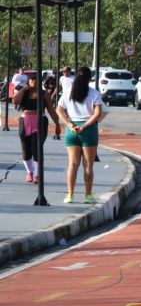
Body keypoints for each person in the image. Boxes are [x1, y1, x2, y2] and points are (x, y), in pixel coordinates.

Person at [54, 66, 104, 204]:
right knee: (88, 166)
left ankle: (70, 195)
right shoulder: (94, 93)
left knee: (72, 164)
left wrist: (69, 125)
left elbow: (59, 109)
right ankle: (88, 195)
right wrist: (85, 126)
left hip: (71, 130)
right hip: (88, 130)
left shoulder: (69, 92)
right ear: (90, 79)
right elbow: (98, 113)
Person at [12, 75, 58, 183]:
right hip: (25, 121)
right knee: (26, 151)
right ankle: (30, 172)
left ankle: (37, 175)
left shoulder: (44, 94)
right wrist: (24, 89)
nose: (34, 82)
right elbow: (15, 101)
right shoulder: (24, 92)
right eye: (32, 80)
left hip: (40, 121)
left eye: (36, 80)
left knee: (36, 148)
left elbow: (51, 109)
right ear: (28, 81)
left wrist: (57, 124)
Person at [43, 70, 61, 139]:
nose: (55, 75)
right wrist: (48, 88)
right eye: (54, 74)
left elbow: (59, 86)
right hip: (49, 93)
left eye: (56, 74)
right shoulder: (49, 78)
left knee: (55, 108)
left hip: (56, 94)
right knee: (51, 107)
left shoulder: (58, 79)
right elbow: (45, 84)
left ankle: (56, 117)